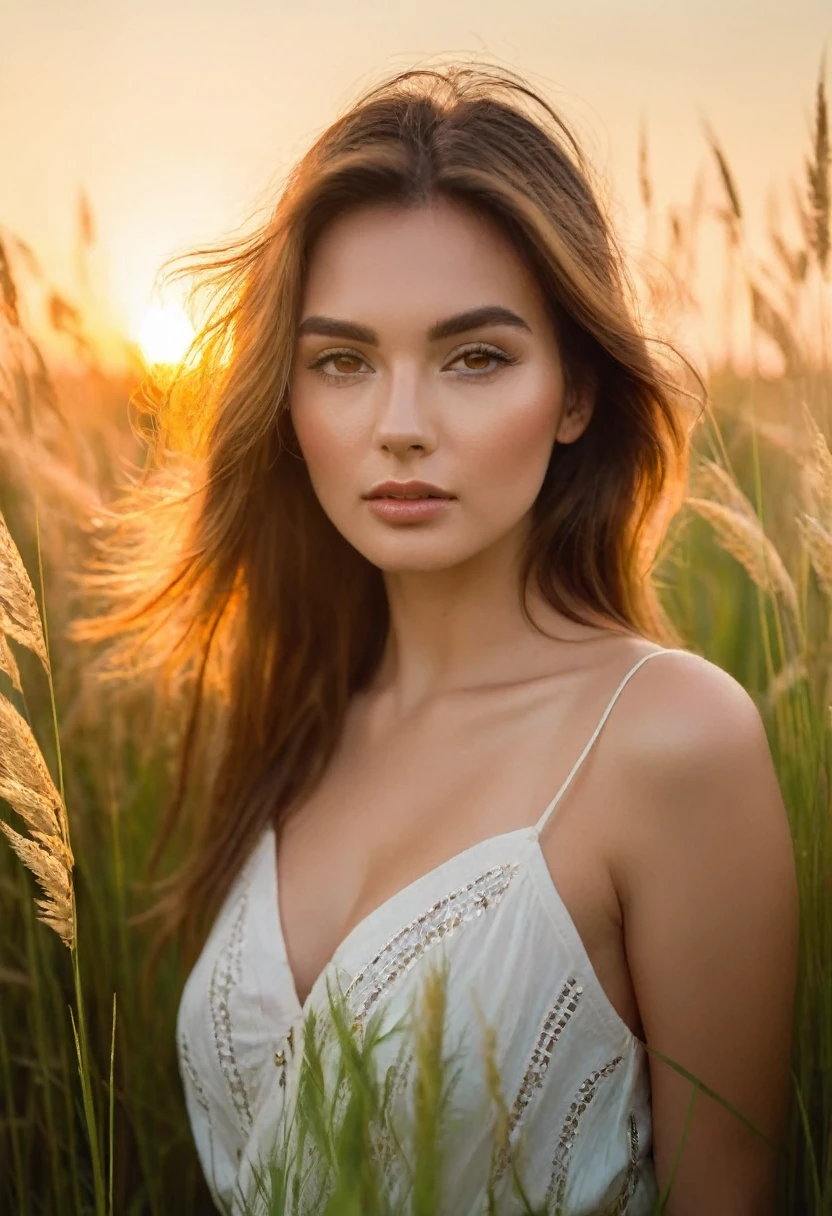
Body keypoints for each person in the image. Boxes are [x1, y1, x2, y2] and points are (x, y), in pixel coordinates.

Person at [74, 63, 798, 1215]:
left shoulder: (673, 741)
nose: (398, 426)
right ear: (291, 395)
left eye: (475, 358)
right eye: (342, 361)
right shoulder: (295, 719)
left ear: (573, 396)